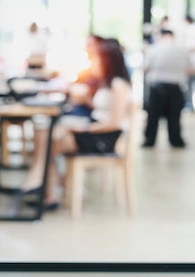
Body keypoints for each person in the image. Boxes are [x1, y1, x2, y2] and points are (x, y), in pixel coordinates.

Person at [19, 38, 132, 210]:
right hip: (96, 130)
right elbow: (101, 110)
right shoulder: (108, 84)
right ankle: (50, 187)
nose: (93, 63)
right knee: (46, 134)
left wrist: (85, 127)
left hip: (104, 138)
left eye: (96, 59)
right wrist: (86, 101)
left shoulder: (118, 85)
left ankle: (45, 185)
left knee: (49, 140)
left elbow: (115, 123)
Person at [142, 29, 194, 148]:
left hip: (157, 86)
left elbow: (145, 68)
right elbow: (191, 69)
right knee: (174, 117)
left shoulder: (153, 49)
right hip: (176, 86)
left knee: (153, 117)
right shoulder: (182, 50)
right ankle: (176, 140)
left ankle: (149, 140)